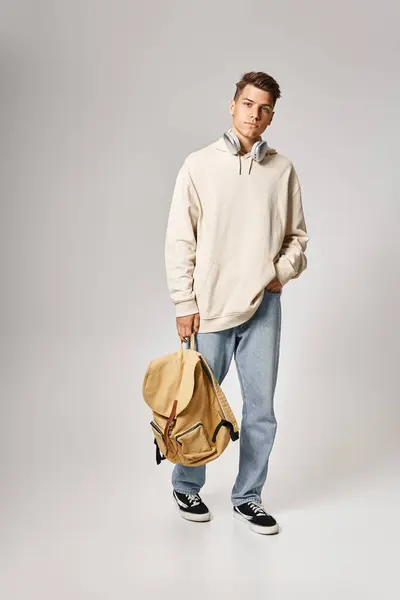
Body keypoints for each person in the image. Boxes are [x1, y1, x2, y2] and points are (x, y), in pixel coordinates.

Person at [164, 71, 309, 535]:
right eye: (249, 104)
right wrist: (183, 301)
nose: (255, 114)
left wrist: (278, 273)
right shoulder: (199, 165)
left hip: (262, 309)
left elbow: (297, 239)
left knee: (261, 410)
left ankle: (248, 496)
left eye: (265, 108)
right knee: (197, 404)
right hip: (208, 308)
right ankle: (186, 483)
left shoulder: (282, 170)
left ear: (272, 115)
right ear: (233, 105)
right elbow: (179, 239)